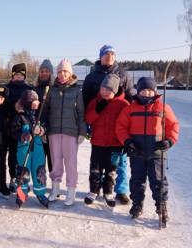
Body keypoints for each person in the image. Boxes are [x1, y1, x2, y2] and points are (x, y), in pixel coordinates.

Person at [116, 77, 179, 224]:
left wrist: (169, 141)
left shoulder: (163, 108)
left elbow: (173, 126)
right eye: (144, 90)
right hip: (137, 152)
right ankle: (137, 204)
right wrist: (127, 141)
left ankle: (161, 206)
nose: (147, 93)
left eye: (150, 90)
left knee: (158, 181)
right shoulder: (130, 109)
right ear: (138, 92)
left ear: (155, 92)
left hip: (156, 152)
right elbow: (121, 127)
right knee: (137, 181)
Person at [82, 45, 135, 205]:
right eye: (106, 54)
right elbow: (86, 101)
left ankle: (120, 191)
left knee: (118, 163)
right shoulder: (92, 76)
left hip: (116, 133)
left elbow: (131, 94)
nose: (109, 57)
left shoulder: (123, 74)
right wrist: (87, 123)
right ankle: (95, 190)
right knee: (97, 164)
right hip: (98, 126)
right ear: (100, 56)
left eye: (112, 54)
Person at [84, 74, 130, 207]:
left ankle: (108, 192)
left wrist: (126, 141)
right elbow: (88, 118)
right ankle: (93, 190)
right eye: (102, 89)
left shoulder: (123, 104)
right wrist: (97, 110)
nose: (104, 92)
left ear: (114, 91)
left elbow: (127, 124)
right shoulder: (95, 102)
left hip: (115, 144)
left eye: (108, 90)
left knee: (111, 170)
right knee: (95, 168)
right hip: (98, 142)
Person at [45, 59, 86, 206]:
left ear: (70, 73)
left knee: (70, 163)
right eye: (60, 71)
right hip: (54, 131)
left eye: (65, 71)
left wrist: (82, 132)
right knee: (55, 161)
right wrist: (44, 129)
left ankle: (71, 190)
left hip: (71, 132)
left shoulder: (76, 91)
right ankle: (55, 189)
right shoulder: (52, 90)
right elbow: (46, 111)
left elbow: (81, 113)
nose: (62, 74)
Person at [11, 89, 49, 208]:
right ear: (27, 103)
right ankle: (22, 192)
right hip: (24, 148)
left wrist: (41, 131)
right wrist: (24, 136)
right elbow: (13, 132)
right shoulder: (20, 117)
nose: (37, 103)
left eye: (37, 101)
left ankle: (40, 192)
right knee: (23, 171)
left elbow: (46, 127)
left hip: (37, 148)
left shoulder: (38, 114)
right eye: (34, 101)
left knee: (39, 170)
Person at [6, 63, 34, 191]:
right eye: (16, 75)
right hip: (11, 126)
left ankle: (21, 178)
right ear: (12, 76)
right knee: (12, 154)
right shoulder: (7, 88)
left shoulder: (29, 89)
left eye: (21, 75)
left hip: (25, 125)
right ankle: (13, 177)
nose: (18, 77)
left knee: (23, 153)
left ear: (24, 76)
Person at [35, 59, 54, 173]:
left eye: (47, 71)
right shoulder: (34, 89)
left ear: (51, 73)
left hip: (51, 129)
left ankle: (54, 184)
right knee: (39, 159)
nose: (44, 73)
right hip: (38, 129)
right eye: (42, 71)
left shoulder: (54, 89)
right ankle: (39, 183)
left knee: (52, 159)